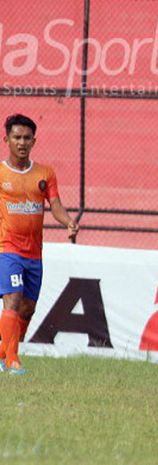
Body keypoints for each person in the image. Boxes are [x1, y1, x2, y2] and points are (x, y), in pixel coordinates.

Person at [0, 114, 79, 375]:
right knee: (12, 300)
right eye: (16, 137)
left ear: (34, 141)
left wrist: (68, 222)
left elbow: (55, 206)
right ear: (6, 140)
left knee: (27, 308)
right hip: (7, 250)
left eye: (26, 138)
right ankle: (13, 361)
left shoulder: (45, 173)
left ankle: (4, 354)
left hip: (34, 254)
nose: (21, 142)